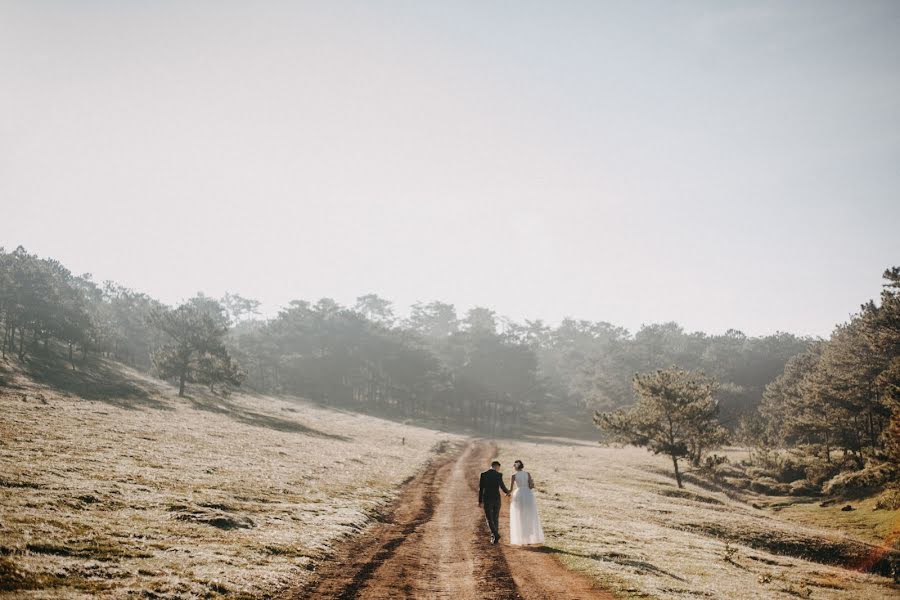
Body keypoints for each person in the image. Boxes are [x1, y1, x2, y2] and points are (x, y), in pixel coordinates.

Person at [508, 459, 544, 545]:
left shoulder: (514, 475)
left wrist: (507, 494)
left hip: (519, 494)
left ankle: (522, 537)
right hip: (528, 494)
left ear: (515, 467)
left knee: (519, 515)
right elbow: (531, 486)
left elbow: (510, 489)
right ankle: (529, 537)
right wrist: (532, 483)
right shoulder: (527, 474)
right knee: (529, 514)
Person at [478, 460, 509, 544]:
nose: (499, 470)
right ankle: (495, 536)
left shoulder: (483, 475)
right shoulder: (498, 475)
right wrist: (508, 492)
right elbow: (502, 486)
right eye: (499, 468)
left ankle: (495, 535)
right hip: (496, 499)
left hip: (487, 499)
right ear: (496, 467)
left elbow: (481, 489)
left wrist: (480, 501)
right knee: (495, 518)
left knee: (489, 519)